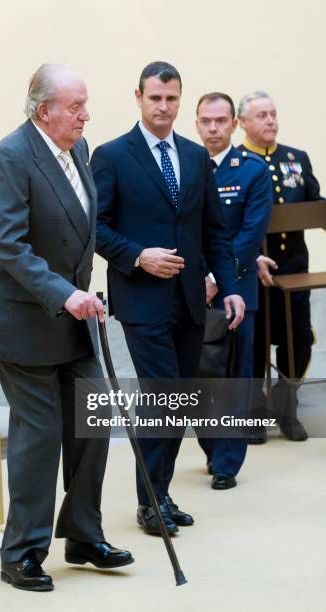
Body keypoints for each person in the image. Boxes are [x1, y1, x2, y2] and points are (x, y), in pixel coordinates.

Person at [0, 64, 133, 592]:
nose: (87, 114)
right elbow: (7, 244)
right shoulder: (10, 157)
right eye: (76, 106)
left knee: (93, 418)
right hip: (21, 318)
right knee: (40, 436)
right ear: (44, 111)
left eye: (86, 103)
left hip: (72, 314)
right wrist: (66, 293)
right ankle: (21, 553)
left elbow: (76, 228)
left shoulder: (77, 150)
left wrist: (82, 292)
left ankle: (83, 536)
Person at [91, 62, 244, 535]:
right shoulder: (112, 155)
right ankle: (150, 502)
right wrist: (139, 256)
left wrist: (231, 286)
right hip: (142, 300)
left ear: (181, 100)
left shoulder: (196, 158)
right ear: (138, 96)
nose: (163, 107)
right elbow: (94, 228)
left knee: (180, 398)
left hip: (191, 302)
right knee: (163, 398)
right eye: (155, 98)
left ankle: (160, 492)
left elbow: (214, 230)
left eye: (172, 99)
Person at [195, 92, 273, 488]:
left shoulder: (252, 170)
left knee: (234, 378)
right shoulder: (188, 163)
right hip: (191, 291)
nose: (213, 128)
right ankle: (212, 448)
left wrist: (216, 279)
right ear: (196, 123)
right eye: (206, 121)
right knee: (199, 378)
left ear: (233, 124)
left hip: (236, 289)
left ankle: (228, 462)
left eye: (220, 121)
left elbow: (249, 235)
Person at [238, 91, 323, 442]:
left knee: (298, 338)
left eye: (273, 114)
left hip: (294, 269)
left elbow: (314, 202)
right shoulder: (235, 161)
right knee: (254, 343)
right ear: (242, 122)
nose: (271, 120)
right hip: (251, 271)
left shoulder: (296, 158)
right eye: (261, 115)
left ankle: (286, 402)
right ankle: (256, 407)